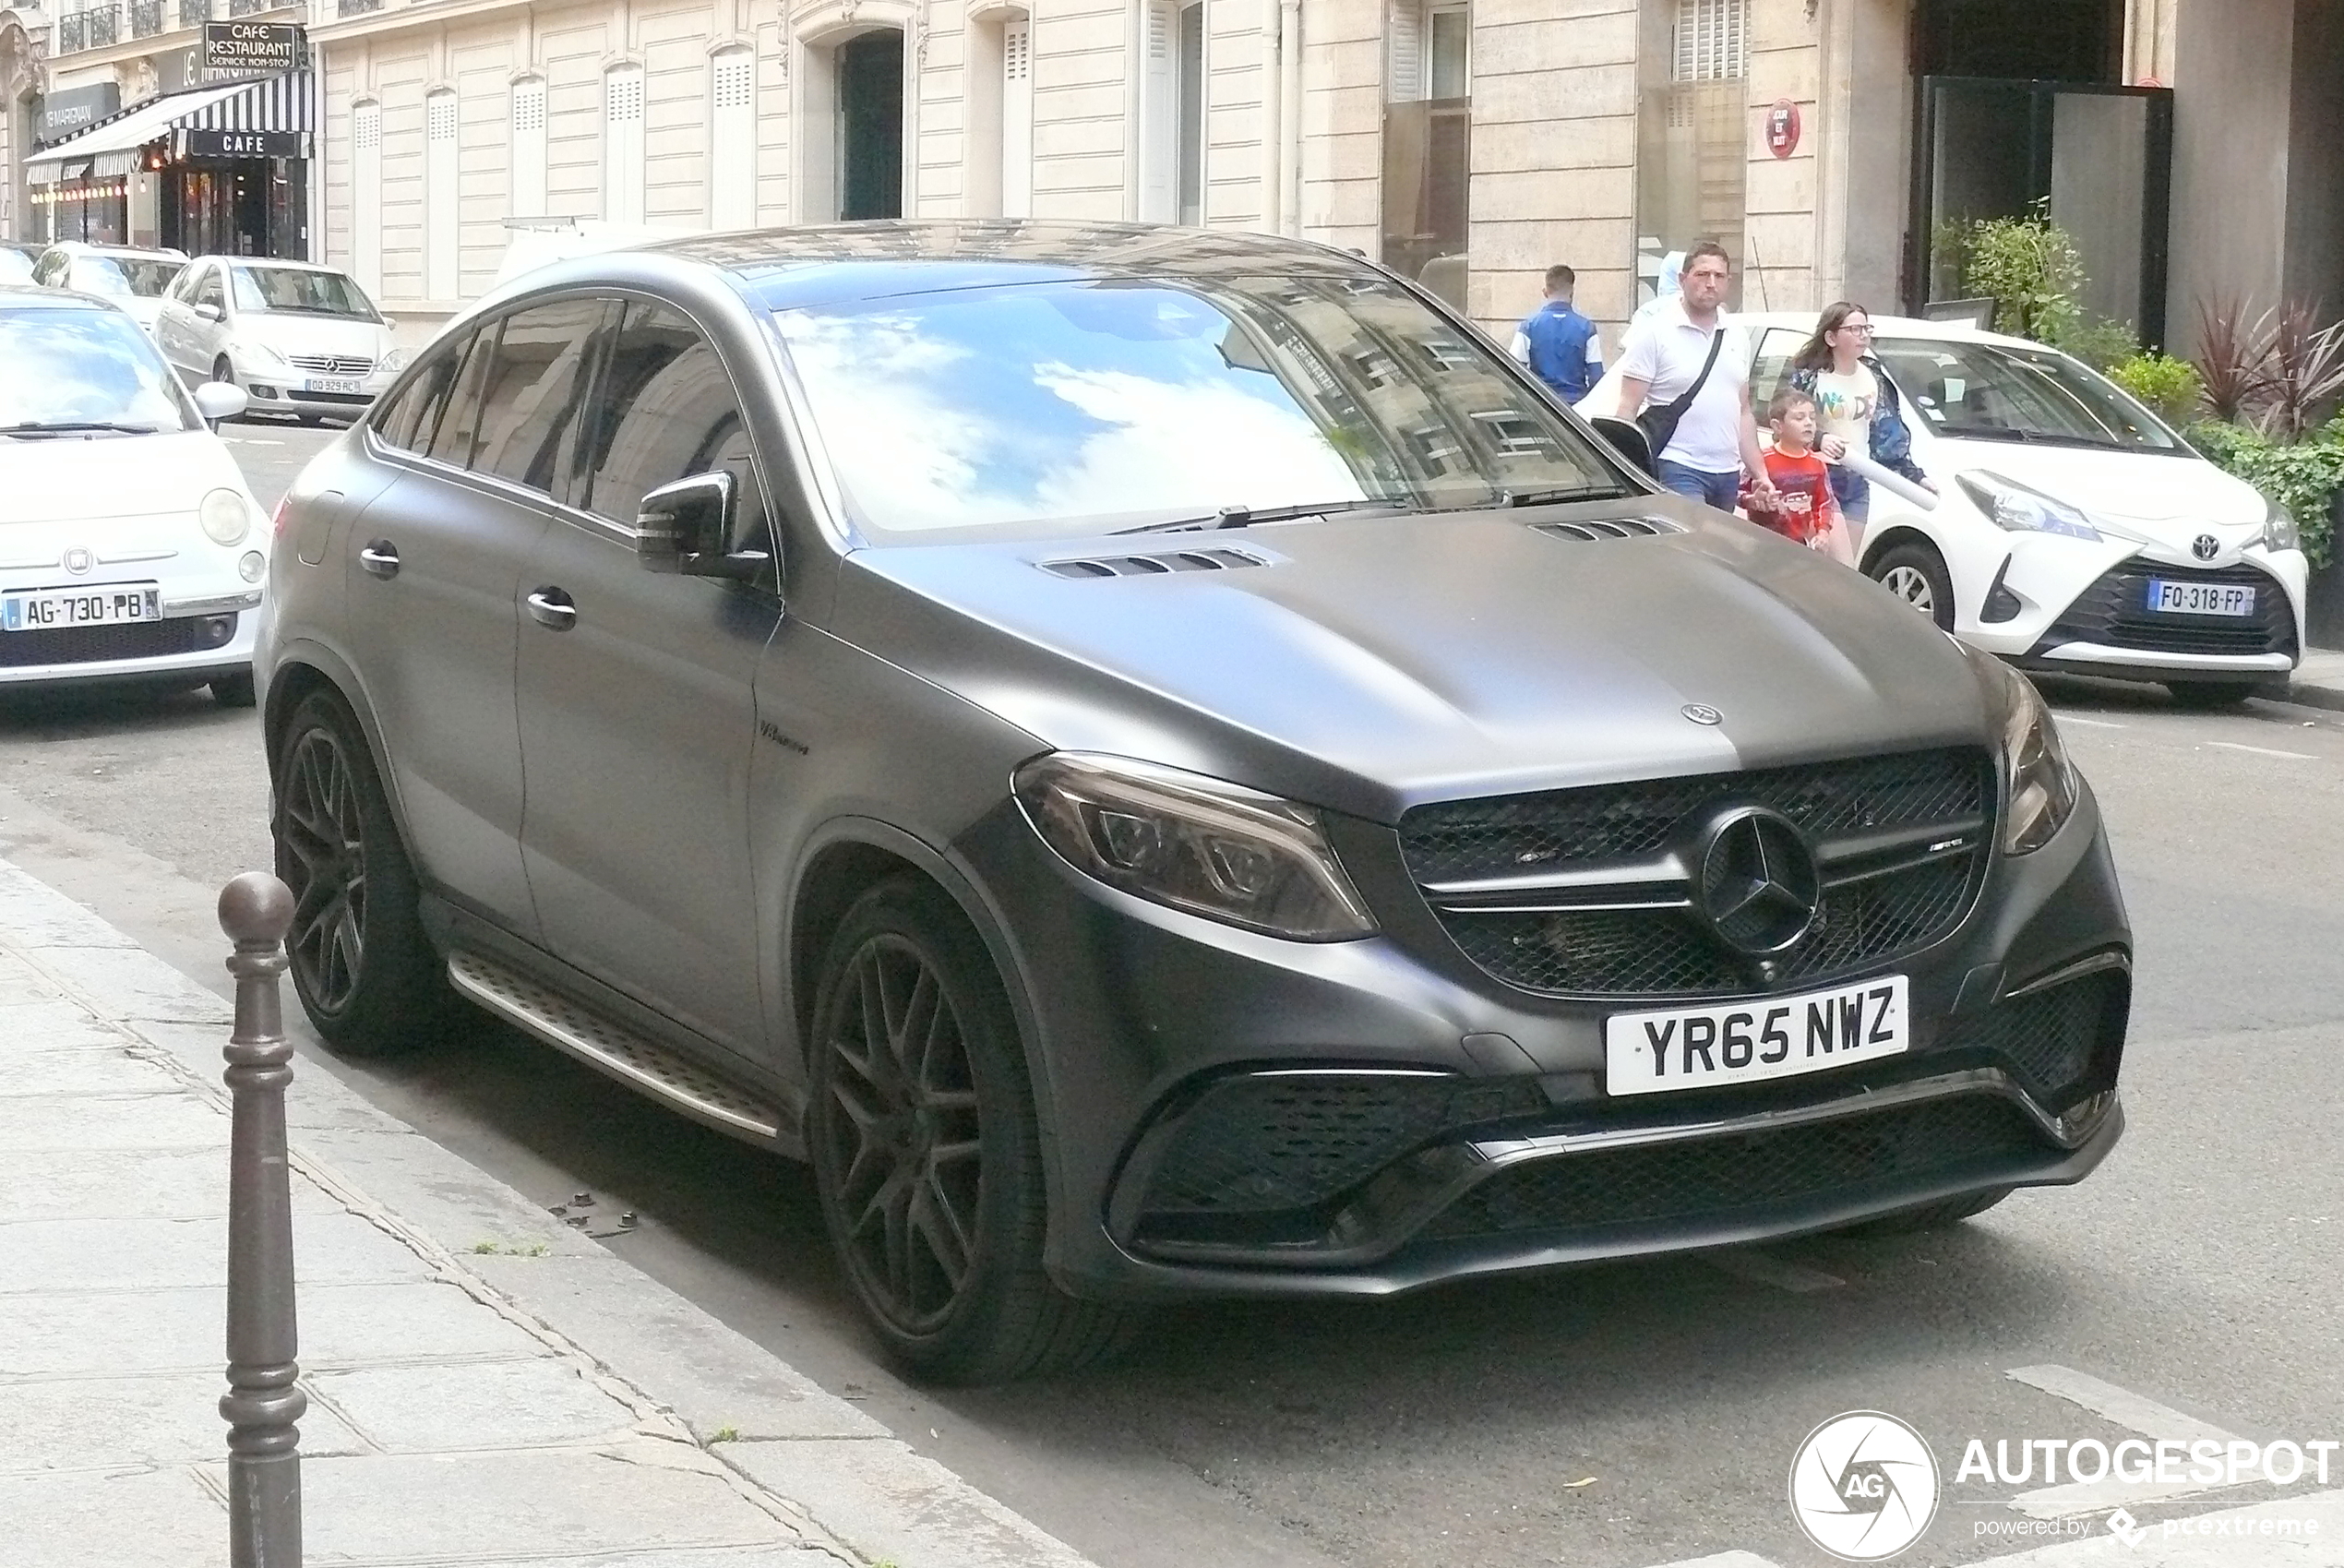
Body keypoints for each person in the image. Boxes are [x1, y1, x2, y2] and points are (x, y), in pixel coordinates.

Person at [1614, 240, 1775, 511]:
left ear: (1728, 282)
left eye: (1719, 276)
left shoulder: (1736, 334)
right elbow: (1627, 407)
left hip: (1726, 472)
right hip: (1676, 465)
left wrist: (1760, 474)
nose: (1711, 283)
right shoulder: (1656, 332)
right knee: (1694, 544)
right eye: (1702, 274)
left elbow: (1743, 410)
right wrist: (1623, 469)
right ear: (1683, 279)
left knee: (1714, 552)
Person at [1785, 301, 1936, 537]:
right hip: (1817, 476)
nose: (1863, 335)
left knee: (1846, 568)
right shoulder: (1810, 376)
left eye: (1867, 328)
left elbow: (1887, 434)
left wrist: (1915, 476)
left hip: (1857, 480)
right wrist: (1819, 439)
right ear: (1831, 338)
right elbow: (1786, 422)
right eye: (1854, 329)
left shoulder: (1873, 376)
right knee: (1827, 558)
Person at [1745, 388, 1854, 566]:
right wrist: (1753, 500)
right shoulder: (1762, 461)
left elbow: (1824, 503)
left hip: (1798, 545)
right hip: (1762, 545)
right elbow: (1738, 493)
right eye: (1799, 418)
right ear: (1777, 426)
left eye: (1812, 417)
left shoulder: (1817, 465)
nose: (1808, 423)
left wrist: (1823, 533)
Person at [1509, 264, 1603, 403]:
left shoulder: (1528, 326)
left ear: (1545, 291)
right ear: (1572, 292)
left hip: (1542, 404)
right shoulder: (1587, 328)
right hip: (1576, 406)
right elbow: (1596, 376)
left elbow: (1514, 369)